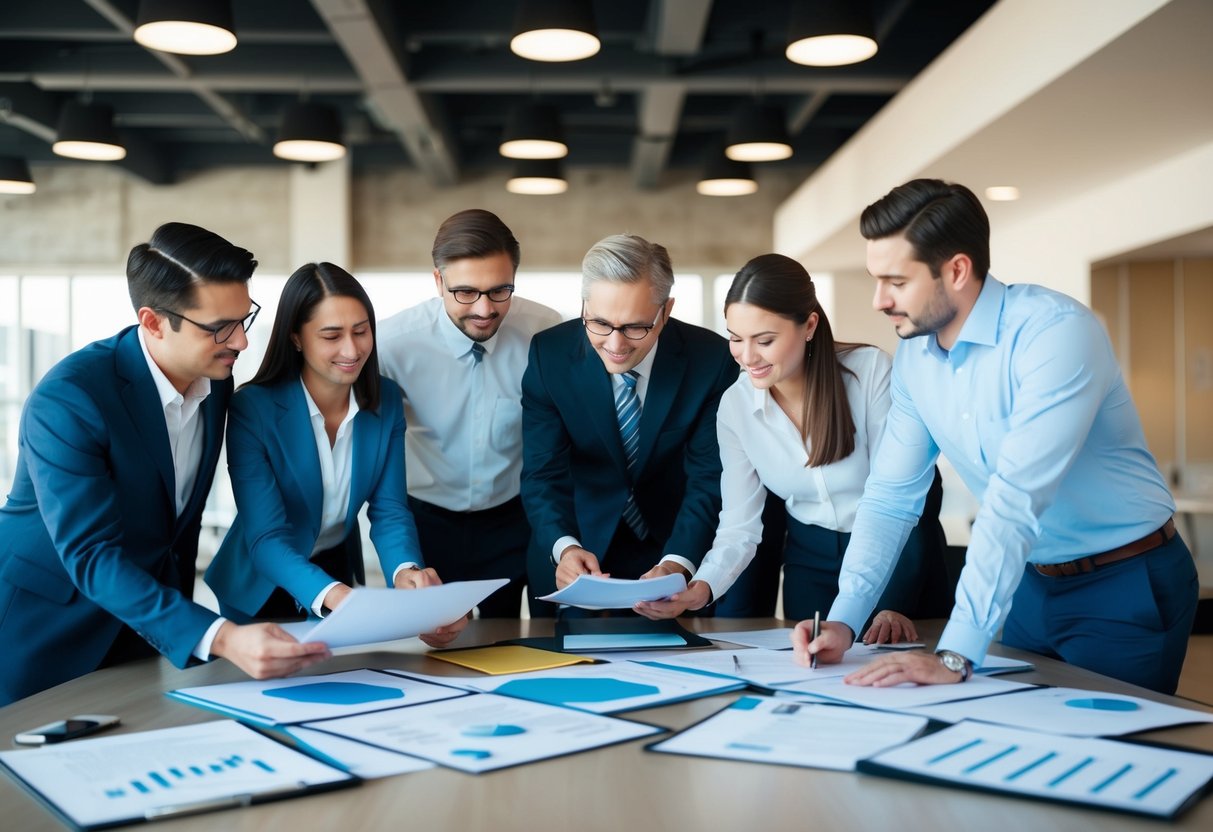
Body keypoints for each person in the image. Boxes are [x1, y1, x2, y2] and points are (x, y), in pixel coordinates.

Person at [795, 179, 1198, 694]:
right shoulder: (916, 359)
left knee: (1105, 757)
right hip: (1029, 585)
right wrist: (844, 620)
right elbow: (892, 496)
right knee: (1017, 744)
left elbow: (1016, 498)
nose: (879, 301)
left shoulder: (1055, 334)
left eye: (895, 281)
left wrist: (956, 652)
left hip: (1124, 583)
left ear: (957, 270)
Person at [0, 222, 331, 706]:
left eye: (244, 319)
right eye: (220, 327)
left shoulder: (214, 380)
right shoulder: (70, 399)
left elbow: (176, 524)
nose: (240, 342)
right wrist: (220, 636)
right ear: (153, 322)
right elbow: (90, 553)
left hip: (147, 628)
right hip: (47, 626)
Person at [635, 253, 943, 634]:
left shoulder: (870, 373)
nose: (747, 357)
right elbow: (739, 528)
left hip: (898, 556)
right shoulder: (736, 406)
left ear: (809, 325)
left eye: (765, 340)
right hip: (808, 563)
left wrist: (894, 603)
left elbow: (899, 498)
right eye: (735, 338)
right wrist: (701, 589)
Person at [206, 263, 467, 647]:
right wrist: (336, 597)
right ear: (296, 337)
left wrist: (406, 573)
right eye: (331, 336)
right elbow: (266, 537)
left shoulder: (386, 399)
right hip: (260, 583)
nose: (352, 349)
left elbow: (389, 509)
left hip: (336, 569)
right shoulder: (253, 408)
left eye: (361, 331)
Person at [521, 233, 738, 614]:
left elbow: (709, 476)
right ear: (584, 305)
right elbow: (542, 474)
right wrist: (564, 547)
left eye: (636, 327)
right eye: (600, 323)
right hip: (578, 551)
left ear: (665, 311)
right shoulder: (548, 355)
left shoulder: (712, 360)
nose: (616, 344)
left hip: (674, 546)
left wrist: (678, 563)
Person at [377, 210, 560, 617]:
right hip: (426, 522)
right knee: (433, 645)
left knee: (509, 642)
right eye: (465, 292)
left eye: (500, 291)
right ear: (438, 281)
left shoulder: (546, 334)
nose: (484, 309)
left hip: (514, 518)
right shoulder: (390, 346)